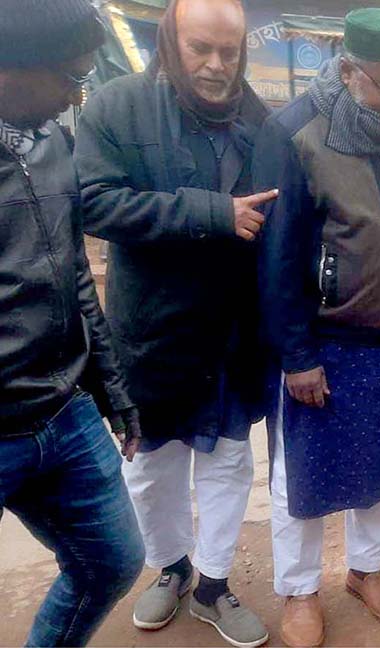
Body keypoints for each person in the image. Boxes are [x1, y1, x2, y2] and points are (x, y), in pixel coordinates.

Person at [74, 0, 272, 645]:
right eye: (200, 50)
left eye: (230, 51)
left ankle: (214, 584)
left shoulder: (259, 119)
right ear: (169, 42)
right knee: (150, 466)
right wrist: (214, 213)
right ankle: (173, 568)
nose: (218, 66)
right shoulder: (116, 106)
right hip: (152, 334)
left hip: (232, 337)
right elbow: (97, 204)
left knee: (228, 463)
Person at [254, 9, 380, 646]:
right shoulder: (297, 132)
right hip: (324, 347)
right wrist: (297, 354)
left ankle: (367, 570)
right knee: (300, 476)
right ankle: (299, 589)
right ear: (350, 72)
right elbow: (277, 257)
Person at [0, 2, 145, 644]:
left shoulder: (53, 142)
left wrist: (112, 392)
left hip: (64, 410)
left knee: (112, 561)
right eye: (69, 79)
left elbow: (75, 276)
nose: (72, 98)